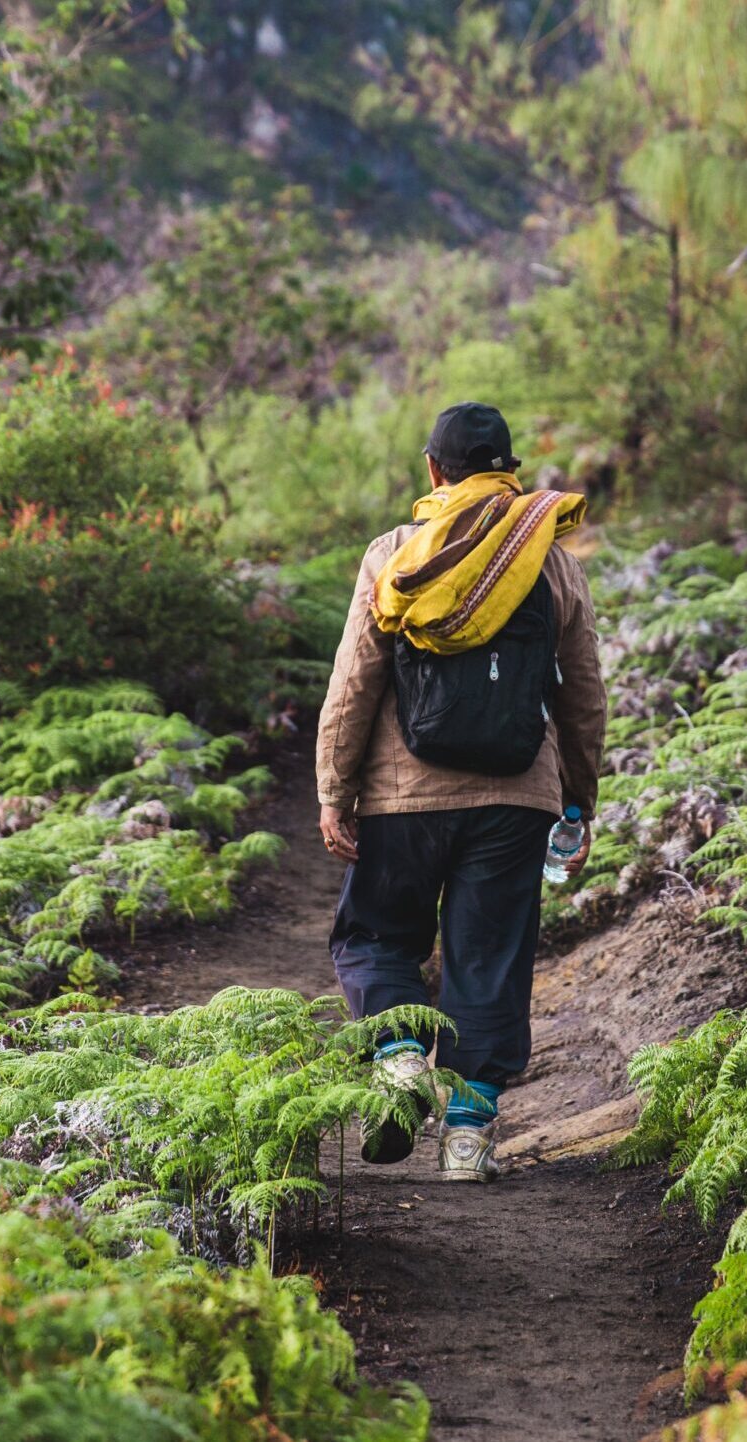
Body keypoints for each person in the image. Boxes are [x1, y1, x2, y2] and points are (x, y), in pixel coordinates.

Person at [315, 401, 606, 1183]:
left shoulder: (397, 553)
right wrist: (578, 798)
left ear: (433, 469)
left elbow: (354, 682)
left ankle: (403, 1056)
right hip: (517, 798)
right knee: (491, 961)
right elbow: (582, 692)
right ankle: (469, 1141)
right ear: (508, 471)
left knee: (375, 937)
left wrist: (333, 789)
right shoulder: (551, 559)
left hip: (400, 797)